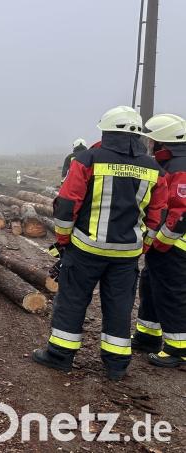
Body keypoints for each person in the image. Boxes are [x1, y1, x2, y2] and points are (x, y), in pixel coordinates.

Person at [33, 106, 168, 381]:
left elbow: (67, 204)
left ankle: (60, 356)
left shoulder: (88, 159)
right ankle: (116, 365)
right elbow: (158, 214)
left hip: (85, 249)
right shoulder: (154, 168)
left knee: (72, 300)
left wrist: (63, 241)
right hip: (127, 254)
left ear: (106, 131)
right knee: (119, 306)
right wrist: (142, 246)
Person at [131, 113, 186, 368]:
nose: (150, 145)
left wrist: (161, 242)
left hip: (175, 246)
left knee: (171, 294)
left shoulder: (180, 167)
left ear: (165, 142)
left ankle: (178, 348)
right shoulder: (171, 164)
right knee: (151, 287)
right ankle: (148, 336)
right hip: (164, 245)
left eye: (153, 141)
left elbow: (180, 212)